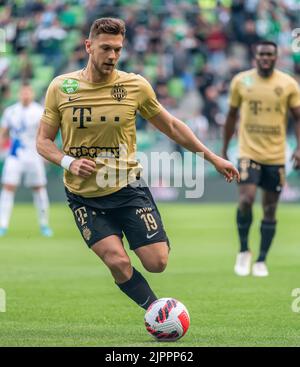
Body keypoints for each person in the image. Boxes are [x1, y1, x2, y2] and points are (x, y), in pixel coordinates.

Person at [36, 18, 239, 311]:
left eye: (118, 49)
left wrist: (213, 157)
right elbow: (42, 141)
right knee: (117, 261)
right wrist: (68, 162)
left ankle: (156, 293)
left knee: (157, 262)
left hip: (128, 188)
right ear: (88, 46)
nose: (112, 56)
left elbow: (170, 125)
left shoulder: (135, 86)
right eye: (106, 48)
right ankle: (158, 312)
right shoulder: (61, 87)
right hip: (85, 197)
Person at [222, 40, 300, 277]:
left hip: (276, 155)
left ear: (276, 58)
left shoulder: (287, 84)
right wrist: (224, 148)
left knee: (270, 208)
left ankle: (261, 260)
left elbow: (298, 117)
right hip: (248, 152)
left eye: (269, 55)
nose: (265, 58)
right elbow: (231, 116)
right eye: (261, 55)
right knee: (246, 200)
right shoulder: (241, 81)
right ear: (255, 57)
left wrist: (298, 148)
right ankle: (244, 249)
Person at [0, 83, 53, 237]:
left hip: (34, 155)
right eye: (23, 93)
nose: (25, 95)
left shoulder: (39, 111)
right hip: (15, 156)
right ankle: (3, 224)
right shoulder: (11, 112)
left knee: (39, 188)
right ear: (19, 94)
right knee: (8, 187)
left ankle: (44, 224)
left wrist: (46, 154)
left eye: (28, 92)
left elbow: (45, 134)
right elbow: (4, 133)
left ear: (32, 94)